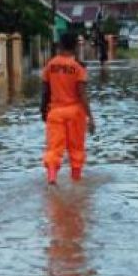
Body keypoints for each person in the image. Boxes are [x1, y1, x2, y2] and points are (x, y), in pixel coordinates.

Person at [41, 31, 96, 185]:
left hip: (55, 112)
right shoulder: (78, 67)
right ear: (74, 47)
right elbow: (82, 94)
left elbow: (45, 90)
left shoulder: (50, 65)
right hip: (75, 113)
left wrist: (43, 110)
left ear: (60, 45)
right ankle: (76, 179)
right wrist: (90, 117)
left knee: (54, 147)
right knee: (76, 148)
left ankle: (52, 177)